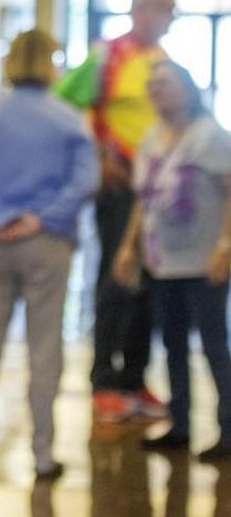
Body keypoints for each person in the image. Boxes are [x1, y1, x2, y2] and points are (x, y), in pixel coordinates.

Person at [0, 29, 99, 480]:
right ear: (52, 63)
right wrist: (44, 218)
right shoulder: (68, 120)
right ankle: (43, 453)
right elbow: (85, 181)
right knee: (44, 349)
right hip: (46, 244)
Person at [53, 0, 176, 421]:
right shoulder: (106, 56)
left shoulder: (162, 60)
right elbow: (63, 103)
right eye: (160, 7)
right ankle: (104, 380)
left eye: (171, 10)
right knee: (115, 280)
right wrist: (98, 155)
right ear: (139, 9)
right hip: (119, 187)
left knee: (149, 286)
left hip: (156, 190)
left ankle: (134, 380)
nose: (166, 17)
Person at [113, 60, 231, 461]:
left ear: (187, 89)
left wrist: (224, 247)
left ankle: (228, 428)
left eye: (163, 83)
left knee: (214, 345)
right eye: (152, 84)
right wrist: (128, 247)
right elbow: (143, 200)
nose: (155, 89)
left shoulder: (209, 136)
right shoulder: (152, 137)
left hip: (203, 261)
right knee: (173, 345)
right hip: (161, 261)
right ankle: (180, 424)